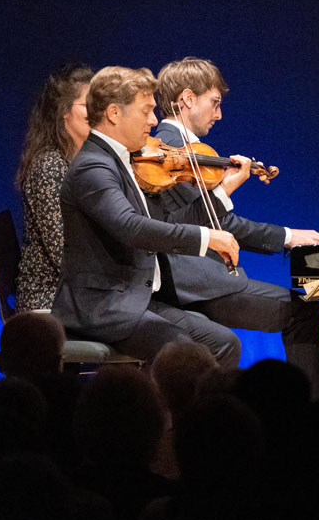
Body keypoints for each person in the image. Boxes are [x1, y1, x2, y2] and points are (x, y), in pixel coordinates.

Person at [148, 57, 319, 392]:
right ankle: (313, 411)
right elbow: (185, 223)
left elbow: (215, 219)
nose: (219, 114)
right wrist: (285, 235)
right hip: (191, 282)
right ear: (187, 99)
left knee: (302, 309)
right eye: (214, 103)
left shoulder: (189, 151)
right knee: (302, 313)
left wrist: (286, 235)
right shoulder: (168, 153)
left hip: (197, 277)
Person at [50, 66, 244, 366]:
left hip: (134, 298)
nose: (154, 121)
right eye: (146, 111)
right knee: (184, 353)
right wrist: (207, 237)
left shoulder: (124, 160)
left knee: (225, 343)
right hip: (101, 306)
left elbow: (164, 220)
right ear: (114, 113)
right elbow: (131, 227)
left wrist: (219, 192)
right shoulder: (93, 167)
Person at [14, 64, 93, 311]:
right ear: (64, 111)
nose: (97, 112)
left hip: (78, 292)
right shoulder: (49, 166)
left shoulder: (81, 162)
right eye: (88, 105)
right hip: (49, 296)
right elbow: (62, 250)